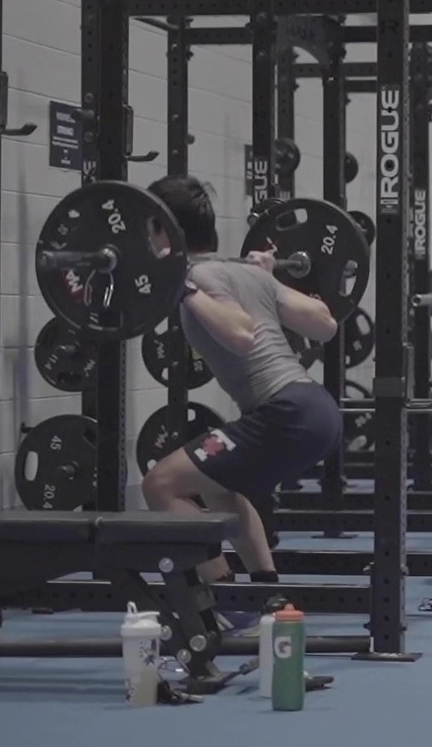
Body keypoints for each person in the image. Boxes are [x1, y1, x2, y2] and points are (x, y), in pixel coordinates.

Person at [136, 174, 345, 633]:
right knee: (218, 486)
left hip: (286, 413)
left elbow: (242, 336)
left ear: (163, 231)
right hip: (319, 410)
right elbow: (326, 324)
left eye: (148, 229)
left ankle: (227, 596)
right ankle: (266, 591)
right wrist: (266, 282)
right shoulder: (248, 272)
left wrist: (184, 286)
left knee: (160, 485)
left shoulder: (195, 277)